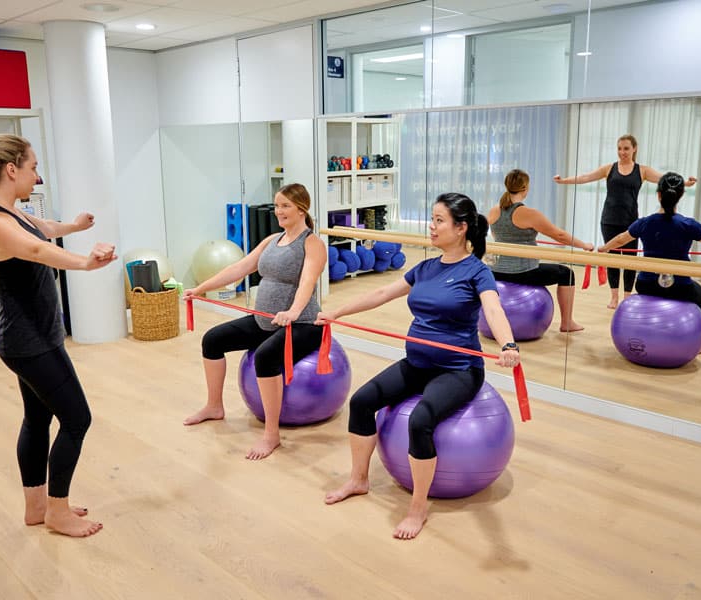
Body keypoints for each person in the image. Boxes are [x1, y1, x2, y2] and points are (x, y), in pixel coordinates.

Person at [317, 192, 520, 540]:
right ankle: (358, 480)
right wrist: (337, 312)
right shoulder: (426, 268)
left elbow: (493, 309)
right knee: (362, 401)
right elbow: (381, 294)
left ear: (461, 228)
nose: (432, 226)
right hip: (417, 363)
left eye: (439, 220)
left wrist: (508, 344)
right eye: (432, 219)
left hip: (458, 369)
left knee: (421, 420)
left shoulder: (477, 271)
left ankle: (418, 507)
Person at [0, 134, 117, 538]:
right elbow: (36, 251)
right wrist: (85, 263)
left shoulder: (13, 213)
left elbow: (44, 230)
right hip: (28, 343)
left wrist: (75, 226)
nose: (37, 175)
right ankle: (58, 512)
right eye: (33, 167)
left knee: (37, 418)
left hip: (34, 338)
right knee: (77, 419)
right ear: (11, 170)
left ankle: (37, 508)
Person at [182, 183, 326, 460]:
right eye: (277, 205)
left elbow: (308, 281)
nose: (279, 211)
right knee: (213, 340)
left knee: (266, 356)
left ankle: (271, 434)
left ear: (301, 209)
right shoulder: (272, 240)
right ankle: (214, 406)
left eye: (285, 206)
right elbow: (239, 268)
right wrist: (200, 288)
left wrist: (294, 312)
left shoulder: (312, 243)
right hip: (265, 321)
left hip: (303, 325)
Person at [598, 172, 701, 354]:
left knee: (650, 283)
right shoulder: (688, 224)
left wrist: (604, 248)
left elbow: (621, 239)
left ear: (658, 195)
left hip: (647, 285)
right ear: (681, 196)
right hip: (679, 287)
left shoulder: (645, 223)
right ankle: (699, 345)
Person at [554, 134, 697, 308]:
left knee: (630, 260)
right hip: (609, 220)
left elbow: (665, 180)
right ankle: (614, 297)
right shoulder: (609, 168)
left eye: (626, 148)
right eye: (620, 149)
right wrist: (563, 181)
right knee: (612, 259)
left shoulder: (642, 170)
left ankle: (627, 296)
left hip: (630, 221)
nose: (622, 152)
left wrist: (686, 183)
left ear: (634, 149)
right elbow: (585, 177)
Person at [488, 169, 593, 332]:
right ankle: (567, 323)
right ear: (525, 188)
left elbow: (497, 236)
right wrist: (584, 245)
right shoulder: (528, 213)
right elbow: (559, 235)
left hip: (496, 271)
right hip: (522, 272)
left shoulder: (494, 211)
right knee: (567, 274)